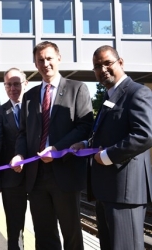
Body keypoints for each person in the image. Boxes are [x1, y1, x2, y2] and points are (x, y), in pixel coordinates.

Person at [10, 41, 93, 250]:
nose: (45, 63)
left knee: (71, 232)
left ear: (59, 59)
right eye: (40, 60)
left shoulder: (78, 89)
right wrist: (19, 154)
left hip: (65, 171)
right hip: (36, 176)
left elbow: (85, 126)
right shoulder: (28, 96)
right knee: (44, 234)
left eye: (49, 58)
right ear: (35, 64)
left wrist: (58, 149)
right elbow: (23, 133)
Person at [70, 45, 152, 250]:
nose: (103, 69)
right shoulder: (109, 96)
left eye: (108, 63)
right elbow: (108, 135)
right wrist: (87, 144)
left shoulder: (136, 92)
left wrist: (107, 156)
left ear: (121, 63)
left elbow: (145, 135)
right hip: (106, 191)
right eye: (97, 66)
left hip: (125, 191)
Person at [0, 68, 28, 250]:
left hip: (39, 175)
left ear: (25, 84)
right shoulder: (0, 111)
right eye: (8, 84)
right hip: (12, 178)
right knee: (14, 228)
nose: (13, 88)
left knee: (45, 226)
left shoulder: (37, 106)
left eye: (16, 83)